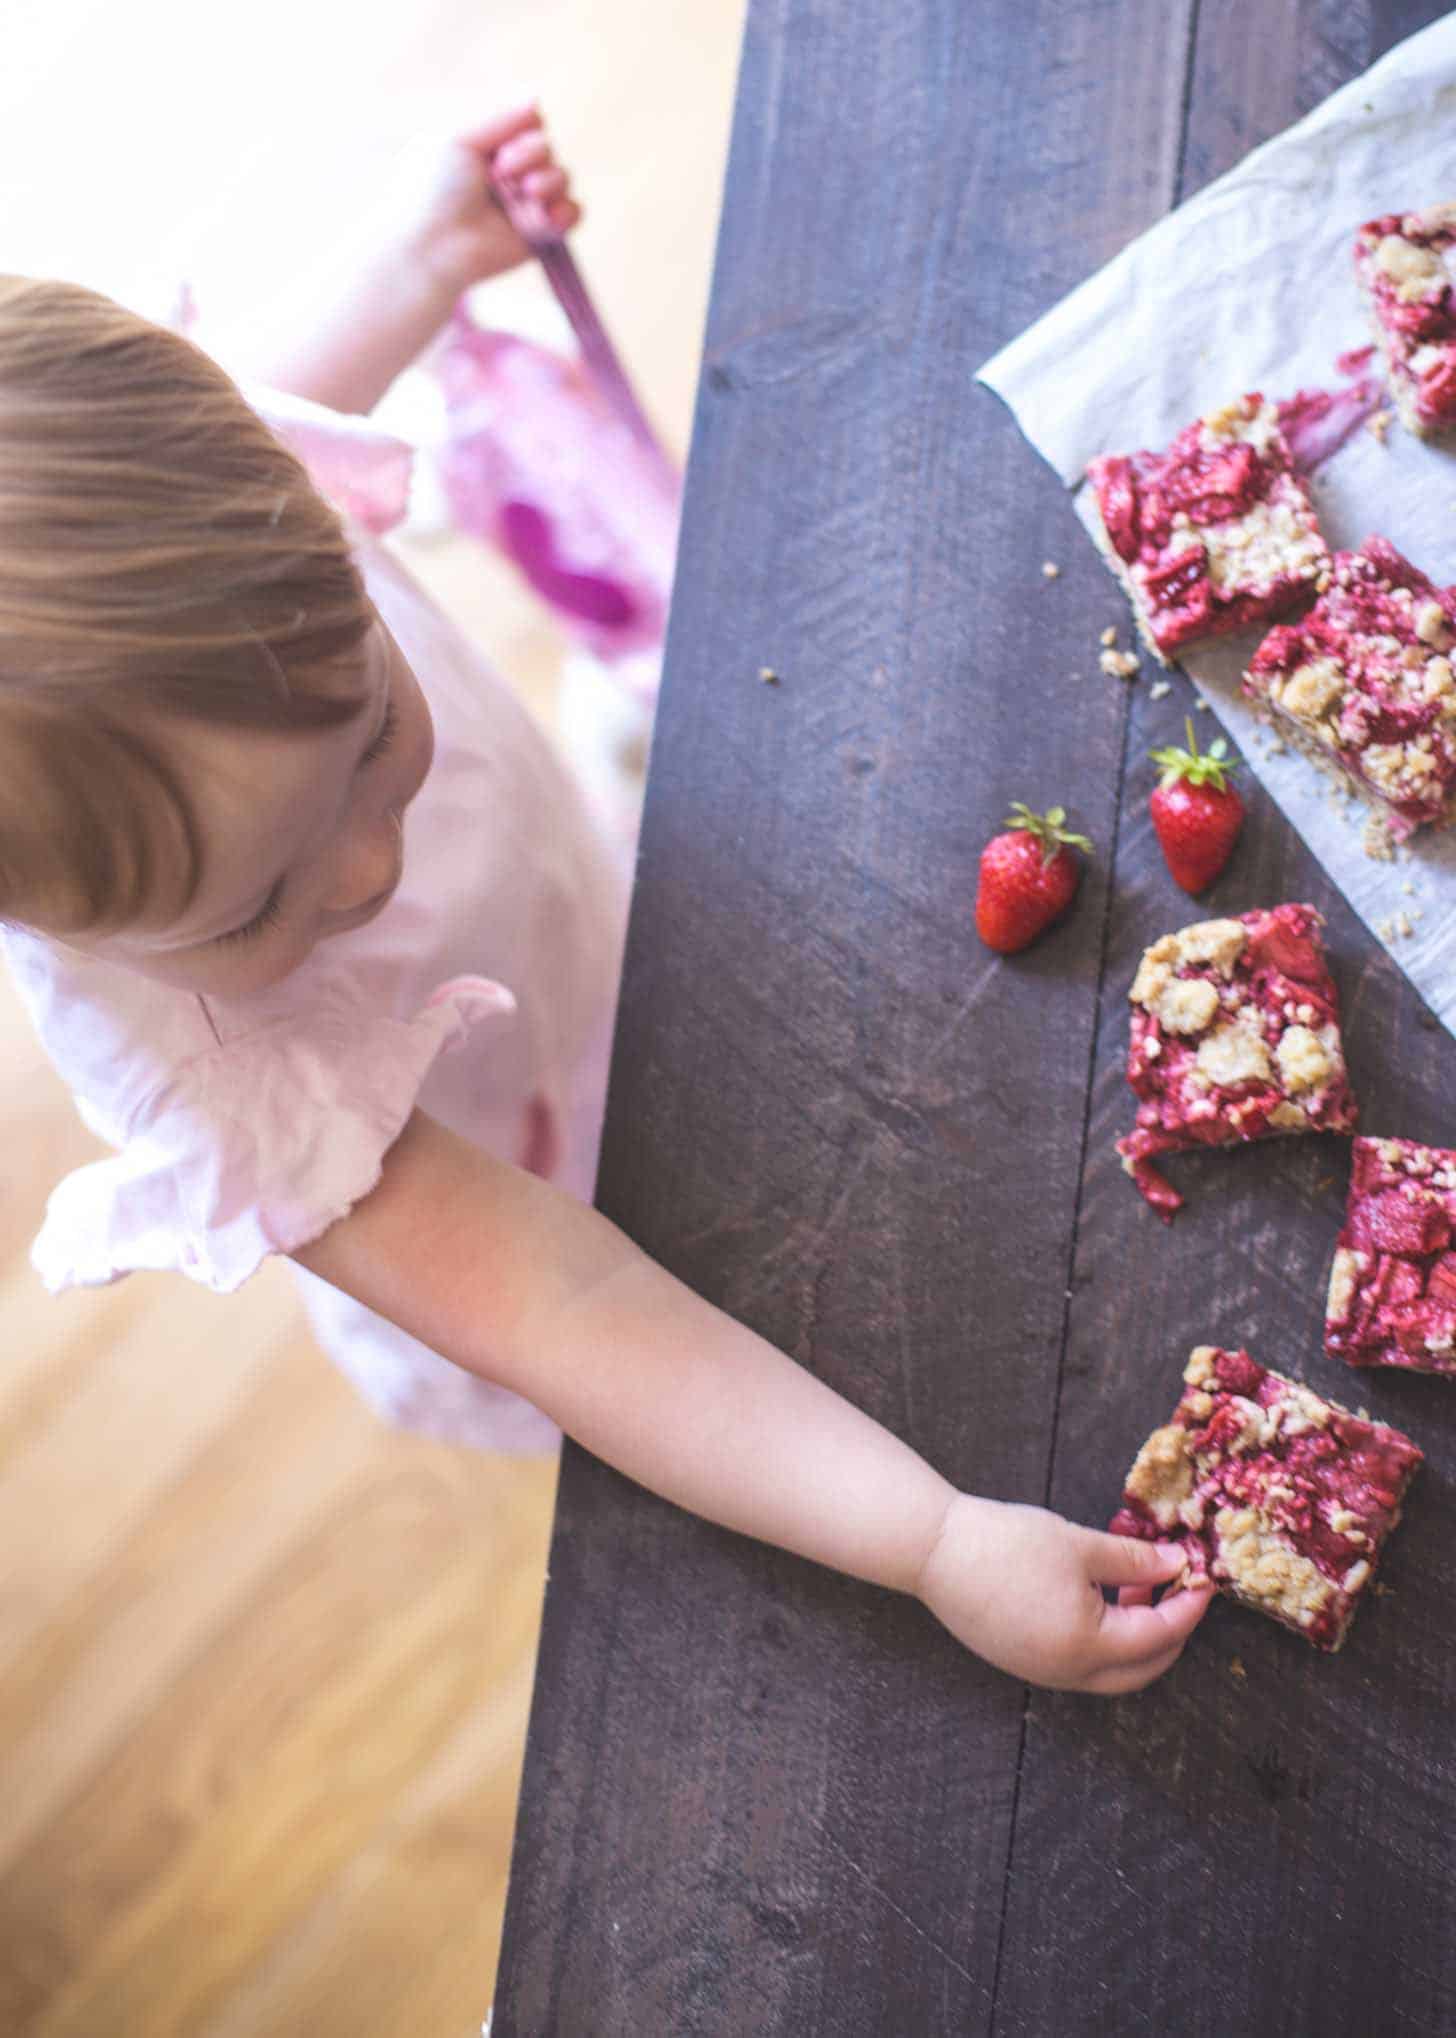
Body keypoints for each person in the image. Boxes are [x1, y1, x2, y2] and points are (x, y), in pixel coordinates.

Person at [0, 108, 1211, 1694]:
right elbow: (574, 1310)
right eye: (257, 909)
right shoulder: (237, 1083)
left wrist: (426, 257)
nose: (369, 870)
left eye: (370, 733)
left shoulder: (225, 530)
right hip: (528, 1180)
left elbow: (266, 405)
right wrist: (927, 1533)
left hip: (605, 917)